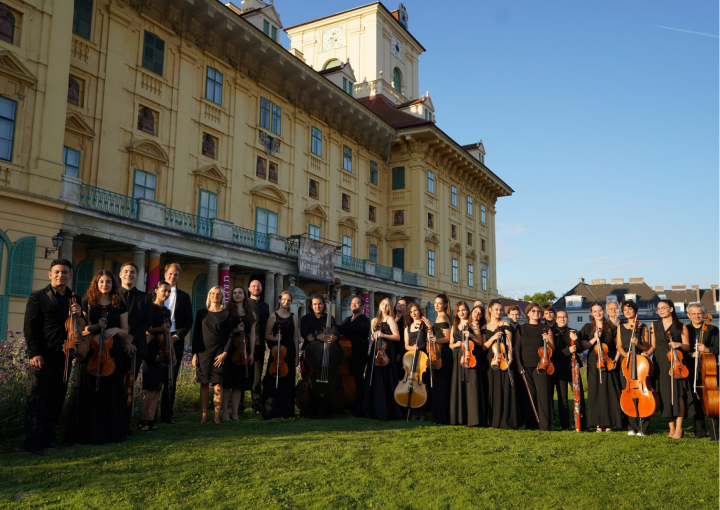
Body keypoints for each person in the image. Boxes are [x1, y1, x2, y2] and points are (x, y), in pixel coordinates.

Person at [23, 259, 81, 455]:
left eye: (64, 272)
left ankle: (49, 438)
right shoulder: (38, 296)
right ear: (50, 274)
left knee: (56, 399)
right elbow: (29, 327)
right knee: (36, 399)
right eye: (56, 272)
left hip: (64, 356)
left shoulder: (75, 299)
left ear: (70, 275)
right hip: (42, 355)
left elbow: (79, 329)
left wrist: (80, 315)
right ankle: (32, 442)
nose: (60, 275)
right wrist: (34, 353)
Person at [65, 270, 129, 445]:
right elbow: (82, 329)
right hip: (91, 351)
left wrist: (116, 330)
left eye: (108, 282)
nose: (104, 285)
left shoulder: (119, 303)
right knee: (88, 390)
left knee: (110, 390)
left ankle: (109, 431)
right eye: (101, 282)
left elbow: (125, 330)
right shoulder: (87, 302)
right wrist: (95, 326)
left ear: (113, 284)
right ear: (96, 283)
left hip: (111, 351)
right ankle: (86, 432)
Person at [651, 299, 694, 439]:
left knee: (678, 394)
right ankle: (671, 428)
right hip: (660, 362)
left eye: (664, 307)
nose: (661, 310)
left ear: (671, 309)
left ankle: (679, 428)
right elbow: (653, 345)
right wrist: (646, 352)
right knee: (664, 395)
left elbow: (687, 346)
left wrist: (678, 344)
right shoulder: (654, 325)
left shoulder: (681, 326)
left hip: (676, 363)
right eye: (658, 308)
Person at [192, 286, 234, 425]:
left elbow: (231, 336)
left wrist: (224, 354)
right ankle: (204, 415)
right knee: (204, 384)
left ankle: (217, 416)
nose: (215, 296)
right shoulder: (201, 313)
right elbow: (196, 334)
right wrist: (194, 354)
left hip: (219, 353)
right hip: (203, 352)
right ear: (209, 295)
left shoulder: (226, 314)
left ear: (222, 297)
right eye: (213, 294)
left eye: (219, 294)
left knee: (218, 385)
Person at [119, 262, 152, 432]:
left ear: (137, 276)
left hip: (137, 346)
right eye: (125, 272)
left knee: (129, 386)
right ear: (120, 274)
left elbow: (147, 321)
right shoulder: (113, 295)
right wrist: (124, 339)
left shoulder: (145, 297)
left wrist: (131, 337)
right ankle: (113, 421)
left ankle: (125, 423)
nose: (129, 274)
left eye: (132, 272)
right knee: (115, 384)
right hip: (115, 346)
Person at [581, 302, 623, 433]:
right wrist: (594, 339)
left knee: (609, 392)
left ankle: (609, 423)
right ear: (591, 313)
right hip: (594, 362)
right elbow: (583, 346)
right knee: (596, 393)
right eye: (595, 311)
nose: (598, 313)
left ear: (603, 311)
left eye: (600, 310)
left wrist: (616, 359)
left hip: (609, 361)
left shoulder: (611, 327)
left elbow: (618, 345)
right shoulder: (587, 327)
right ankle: (598, 424)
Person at [359, 298, 404, 421]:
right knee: (374, 378)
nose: (385, 306)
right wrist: (374, 337)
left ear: (389, 308)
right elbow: (373, 337)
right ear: (379, 306)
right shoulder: (375, 320)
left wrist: (382, 335)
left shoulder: (390, 319)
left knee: (386, 379)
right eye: (383, 304)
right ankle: (373, 408)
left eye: (387, 305)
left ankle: (386, 409)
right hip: (376, 349)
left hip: (387, 350)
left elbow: (397, 337)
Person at [482, 300, 523, 430]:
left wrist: (510, 359)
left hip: (504, 359)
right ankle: (494, 419)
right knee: (493, 389)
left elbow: (510, 344)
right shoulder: (484, 327)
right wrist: (493, 338)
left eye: (500, 310)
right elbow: (483, 347)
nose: (499, 312)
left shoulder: (505, 324)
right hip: (491, 359)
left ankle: (506, 419)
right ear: (490, 310)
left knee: (506, 389)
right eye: (496, 309)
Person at [138, 281, 172, 432]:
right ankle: (143, 420)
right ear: (156, 291)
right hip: (151, 349)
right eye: (164, 290)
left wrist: (172, 353)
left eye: (169, 292)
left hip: (163, 351)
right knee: (151, 387)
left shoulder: (167, 311)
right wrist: (159, 328)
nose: (166, 294)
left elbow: (168, 334)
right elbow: (145, 330)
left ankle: (152, 420)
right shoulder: (149, 307)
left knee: (158, 386)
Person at [161, 263, 193, 424]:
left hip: (175, 339)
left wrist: (177, 337)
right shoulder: (154, 293)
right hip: (157, 338)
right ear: (165, 274)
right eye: (171, 274)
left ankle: (167, 414)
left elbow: (189, 321)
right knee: (155, 376)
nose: (173, 277)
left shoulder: (184, 296)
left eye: (176, 275)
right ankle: (149, 413)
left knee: (171, 377)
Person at [615, 300, 652, 436]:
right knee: (628, 393)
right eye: (625, 310)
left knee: (642, 393)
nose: (627, 312)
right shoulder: (620, 326)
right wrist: (626, 356)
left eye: (630, 309)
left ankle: (644, 427)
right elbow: (619, 345)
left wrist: (638, 344)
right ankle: (631, 426)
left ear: (635, 311)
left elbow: (647, 346)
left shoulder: (643, 327)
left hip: (640, 363)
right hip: (626, 362)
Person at [516, 303, 555, 431]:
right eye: (533, 311)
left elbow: (552, 348)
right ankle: (532, 424)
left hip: (541, 365)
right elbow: (516, 348)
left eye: (538, 311)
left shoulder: (545, 329)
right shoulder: (521, 329)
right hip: (525, 365)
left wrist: (547, 341)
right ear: (527, 313)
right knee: (529, 396)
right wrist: (519, 364)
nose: (536, 313)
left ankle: (546, 425)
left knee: (543, 395)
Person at [449, 301, 486, 427]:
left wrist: (470, 335)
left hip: (471, 357)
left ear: (468, 311)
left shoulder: (473, 324)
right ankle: (460, 418)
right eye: (459, 310)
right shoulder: (454, 326)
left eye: (464, 310)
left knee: (472, 385)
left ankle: (474, 418)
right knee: (460, 385)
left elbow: (480, 342)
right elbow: (450, 344)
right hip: (459, 356)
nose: (461, 312)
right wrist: (456, 344)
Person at [263, 291, 299, 418]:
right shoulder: (273, 316)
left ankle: (287, 411)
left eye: (288, 300)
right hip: (277, 353)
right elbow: (267, 335)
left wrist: (297, 356)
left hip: (289, 353)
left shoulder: (293, 316)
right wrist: (276, 338)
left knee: (288, 381)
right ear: (279, 300)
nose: (286, 302)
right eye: (284, 299)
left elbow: (295, 337)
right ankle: (271, 411)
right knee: (273, 381)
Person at [687, 303, 719, 440]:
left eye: (699, 313)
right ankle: (699, 431)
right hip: (692, 369)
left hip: (710, 370)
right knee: (696, 400)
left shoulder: (713, 329)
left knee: (713, 401)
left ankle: (715, 433)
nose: (697, 316)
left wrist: (707, 349)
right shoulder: (685, 330)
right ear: (688, 315)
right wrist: (691, 354)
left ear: (704, 314)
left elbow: (718, 349)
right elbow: (682, 350)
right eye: (693, 313)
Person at [226, 286, 256, 420]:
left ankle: (235, 414)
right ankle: (225, 413)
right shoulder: (227, 312)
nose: (237, 295)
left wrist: (252, 353)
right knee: (228, 383)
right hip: (230, 349)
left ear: (245, 295)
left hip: (243, 350)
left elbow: (253, 335)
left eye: (240, 293)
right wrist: (235, 330)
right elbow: (224, 332)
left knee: (238, 384)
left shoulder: (251, 314)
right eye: (234, 293)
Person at [336, 295, 371, 414]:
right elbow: (341, 327)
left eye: (356, 303)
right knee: (350, 380)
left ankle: (360, 407)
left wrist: (335, 327)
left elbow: (347, 330)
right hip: (349, 355)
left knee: (358, 380)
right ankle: (349, 403)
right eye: (352, 303)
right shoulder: (348, 319)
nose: (353, 305)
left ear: (362, 306)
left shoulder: (363, 320)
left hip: (359, 355)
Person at [554, 310, 586, 431]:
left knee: (579, 395)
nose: (562, 319)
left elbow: (580, 349)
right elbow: (553, 353)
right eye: (560, 317)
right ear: (556, 319)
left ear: (567, 319)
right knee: (563, 398)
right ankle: (565, 425)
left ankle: (581, 424)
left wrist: (576, 340)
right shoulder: (553, 332)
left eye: (564, 317)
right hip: (560, 368)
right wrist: (568, 351)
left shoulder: (573, 331)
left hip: (573, 367)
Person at [402, 302, 430, 421]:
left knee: (424, 385)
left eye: (415, 311)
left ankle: (423, 412)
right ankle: (413, 411)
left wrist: (429, 327)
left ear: (419, 311)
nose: (413, 313)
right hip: (412, 356)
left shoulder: (425, 324)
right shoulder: (407, 328)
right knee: (412, 386)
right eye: (411, 312)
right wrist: (413, 348)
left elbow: (429, 340)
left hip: (423, 356)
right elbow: (406, 345)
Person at [428, 293, 452, 425]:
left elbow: (447, 338)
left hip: (443, 353)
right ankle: (439, 416)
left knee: (440, 385)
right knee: (438, 385)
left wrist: (435, 339)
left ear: (445, 305)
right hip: (439, 352)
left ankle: (442, 417)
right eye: (435, 302)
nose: (436, 305)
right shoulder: (439, 316)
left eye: (439, 303)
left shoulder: (443, 317)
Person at [248, 279, 270, 413]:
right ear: (249, 289)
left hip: (259, 345)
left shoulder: (265, 306)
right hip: (245, 346)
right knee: (244, 377)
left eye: (259, 286)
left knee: (257, 379)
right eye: (254, 286)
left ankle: (257, 406)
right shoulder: (245, 304)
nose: (256, 288)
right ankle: (239, 406)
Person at [394, 298, 408, 378]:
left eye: (403, 305)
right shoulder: (392, 318)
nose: (400, 305)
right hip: (392, 348)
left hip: (401, 349)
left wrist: (400, 353)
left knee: (400, 373)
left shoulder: (405, 321)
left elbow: (405, 339)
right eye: (398, 303)